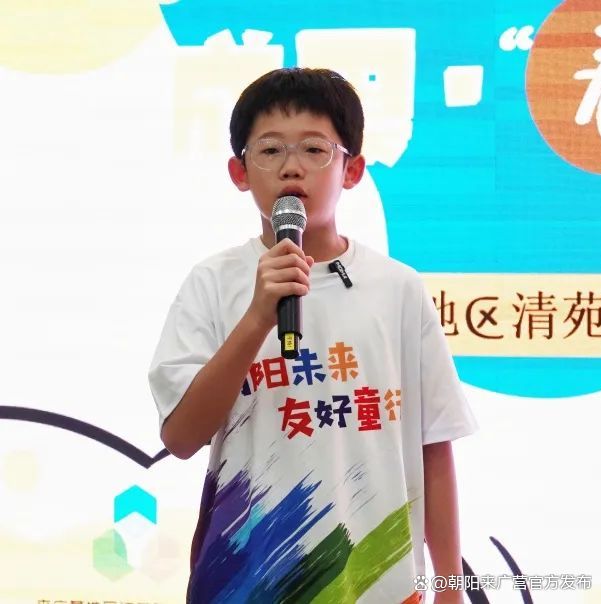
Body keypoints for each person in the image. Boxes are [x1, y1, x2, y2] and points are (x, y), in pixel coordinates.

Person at [148, 67, 477, 604]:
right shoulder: (213, 283)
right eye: (270, 150)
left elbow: (434, 446)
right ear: (239, 172)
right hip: (248, 583)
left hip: (379, 584)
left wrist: (449, 588)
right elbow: (181, 438)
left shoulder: (397, 288)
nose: (291, 166)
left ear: (353, 170)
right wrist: (258, 317)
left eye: (314, 149)